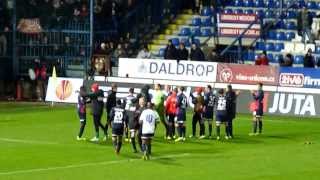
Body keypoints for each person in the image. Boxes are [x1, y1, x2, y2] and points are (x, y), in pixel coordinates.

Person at [124, 88, 138, 152]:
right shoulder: (134, 98)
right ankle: (130, 138)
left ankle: (126, 137)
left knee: (125, 124)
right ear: (133, 92)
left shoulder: (126, 97)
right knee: (131, 125)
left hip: (126, 111)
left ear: (129, 91)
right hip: (131, 113)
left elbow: (124, 104)